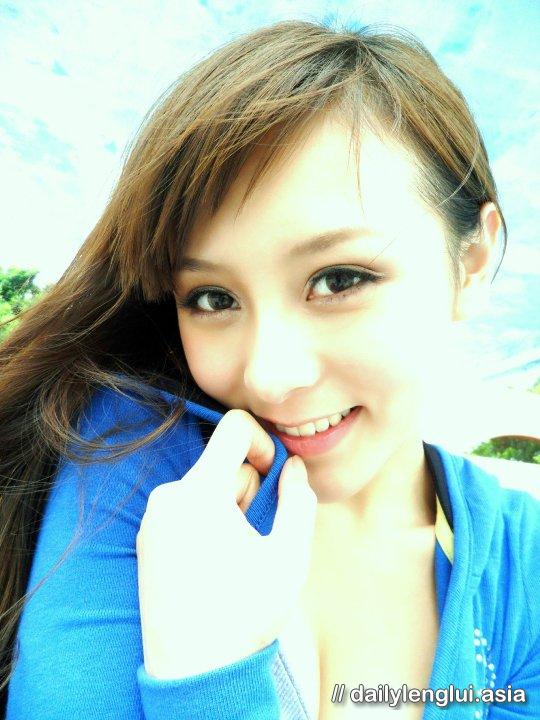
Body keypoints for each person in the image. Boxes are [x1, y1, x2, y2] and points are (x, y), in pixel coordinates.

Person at [0, 18, 538, 720]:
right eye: (212, 298)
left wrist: (211, 681)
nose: (269, 377)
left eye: (338, 279)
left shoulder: (519, 563)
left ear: (470, 264)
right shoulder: (141, 465)